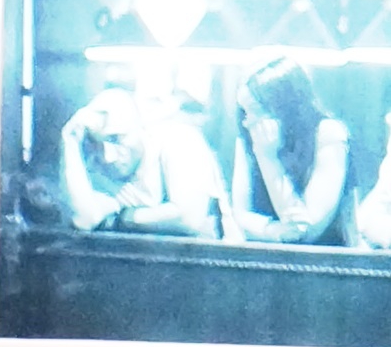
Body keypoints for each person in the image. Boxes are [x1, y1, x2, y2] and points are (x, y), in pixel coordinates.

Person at [60, 84, 223, 239]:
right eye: (96, 145)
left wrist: (123, 217)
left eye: (115, 138)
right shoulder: (95, 165)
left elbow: (189, 218)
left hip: (200, 256)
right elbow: (84, 220)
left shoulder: (179, 140)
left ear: (140, 128)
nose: (108, 156)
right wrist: (70, 141)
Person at [227, 56, 348, 245]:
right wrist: (272, 230)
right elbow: (239, 215)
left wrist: (269, 159)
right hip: (263, 253)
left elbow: (306, 229)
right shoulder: (248, 137)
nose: (247, 122)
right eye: (244, 111)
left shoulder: (327, 134)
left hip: (325, 256)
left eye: (256, 111)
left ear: (283, 108)